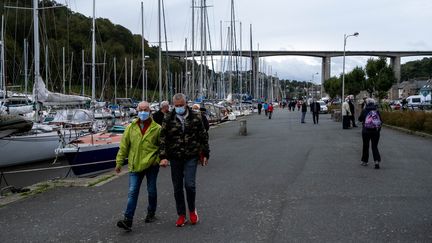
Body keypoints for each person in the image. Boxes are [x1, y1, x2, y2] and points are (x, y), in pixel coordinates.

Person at [159, 93, 210, 227]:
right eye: (176, 106)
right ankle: (181, 214)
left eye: (181, 105)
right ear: (173, 105)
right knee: (177, 188)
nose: (179, 108)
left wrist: (205, 154)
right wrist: (163, 157)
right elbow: (163, 138)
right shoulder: (168, 118)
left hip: (191, 156)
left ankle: (192, 210)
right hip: (175, 157)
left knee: (190, 185)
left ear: (186, 104)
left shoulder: (196, 116)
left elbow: (203, 136)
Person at [115, 101, 162, 232]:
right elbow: (124, 146)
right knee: (132, 191)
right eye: (141, 109)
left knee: (151, 190)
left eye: (145, 109)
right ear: (137, 110)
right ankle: (128, 219)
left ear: (150, 111)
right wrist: (119, 162)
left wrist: (157, 160)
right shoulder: (131, 127)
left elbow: (162, 147)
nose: (143, 112)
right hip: (135, 165)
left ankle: (151, 212)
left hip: (151, 164)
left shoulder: (157, 128)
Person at [358, 98, 382, 169]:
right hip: (375, 131)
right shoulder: (377, 110)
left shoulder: (364, 110)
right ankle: (376, 161)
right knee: (374, 146)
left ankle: (365, 161)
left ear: (367, 103)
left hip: (366, 131)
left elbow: (359, 119)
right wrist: (378, 130)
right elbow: (381, 121)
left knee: (366, 146)